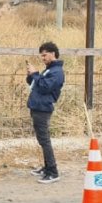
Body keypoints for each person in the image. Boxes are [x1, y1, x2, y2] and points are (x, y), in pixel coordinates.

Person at [26, 41, 65, 184]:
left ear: (53, 54)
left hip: (43, 109)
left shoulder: (57, 72)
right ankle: (47, 167)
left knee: (45, 140)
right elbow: (35, 84)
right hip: (37, 107)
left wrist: (36, 74)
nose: (42, 58)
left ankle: (53, 172)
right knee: (42, 140)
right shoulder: (49, 70)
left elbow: (44, 87)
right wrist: (31, 75)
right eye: (41, 56)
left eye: (44, 55)